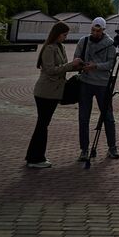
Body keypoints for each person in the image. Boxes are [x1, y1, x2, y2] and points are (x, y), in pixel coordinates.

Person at [26, 22, 83, 168]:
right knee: (42, 124)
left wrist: (76, 66)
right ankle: (36, 158)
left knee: (43, 124)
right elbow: (51, 70)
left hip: (53, 92)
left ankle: (34, 156)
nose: (65, 38)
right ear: (57, 34)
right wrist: (72, 65)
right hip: (45, 92)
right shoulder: (49, 49)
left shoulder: (60, 47)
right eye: (64, 35)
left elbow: (61, 69)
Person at [74, 17, 119, 162]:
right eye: (93, 30)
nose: (95, 33)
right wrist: (81, 65)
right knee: (83, 117)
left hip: (103, 85)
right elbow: (76, 58)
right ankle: (84, 150)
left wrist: (95, 66)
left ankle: (112, 148)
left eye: (98, 30)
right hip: (85, 83)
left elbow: (111, 63)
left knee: (108, 117)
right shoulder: (83, 41)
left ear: (103, 30)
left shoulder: (110, 43)